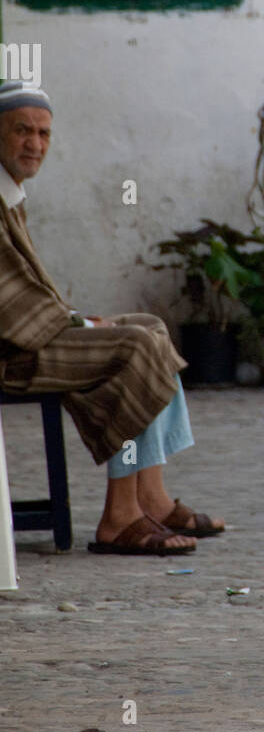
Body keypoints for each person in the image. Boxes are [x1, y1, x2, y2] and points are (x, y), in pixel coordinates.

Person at [0, 80, 224, 556]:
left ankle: (153, 498)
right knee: (133, 347)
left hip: (29, 335)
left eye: (43, 133)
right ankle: (118, 517)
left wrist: (77, 320)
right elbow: (9, 305)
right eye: (22, 131)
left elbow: (24, 291)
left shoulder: (10, 193)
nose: (34, 144)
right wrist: (80, 326)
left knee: (150, 327)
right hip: (11, 352)